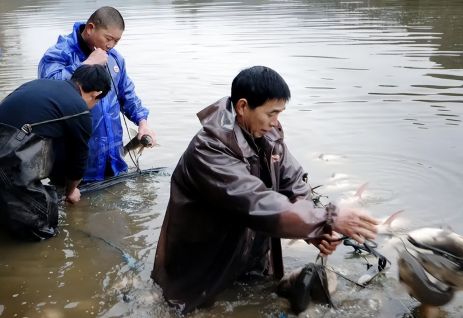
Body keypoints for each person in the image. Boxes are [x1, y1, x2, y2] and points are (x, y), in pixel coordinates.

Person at [151, 66, 379, 314]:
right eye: (271, 113)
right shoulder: (208, 149)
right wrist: (328, 217)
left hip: (251, 256)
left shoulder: (271, 139)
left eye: (279, 114)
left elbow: (295, 186)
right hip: (203, 264)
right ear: (242, 107)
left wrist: (314, 229)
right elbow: (255, 202)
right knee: (190, 308)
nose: (275, 122)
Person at [38, 6, 155, 182]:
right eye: (108, 39)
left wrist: (142, 122)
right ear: (91, 28)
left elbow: (128, 95)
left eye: (116, 41)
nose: (111, 46)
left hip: (113, 159)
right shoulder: (58, 54)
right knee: (70, 203)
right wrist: (88, 64)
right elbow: (50, 90)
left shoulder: (115, 59)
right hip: (73, 162)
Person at [0, 64, 111, 240]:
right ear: (95, 94)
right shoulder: (80, 110)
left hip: (6, 145)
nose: (93, 106)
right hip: (7, 158)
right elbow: (79, 160)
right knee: (42, 228)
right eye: (96, 102)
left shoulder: (41, 85)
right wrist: (70, 192)